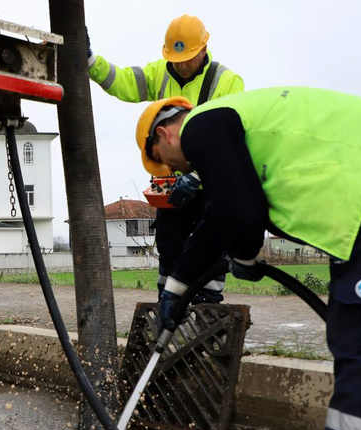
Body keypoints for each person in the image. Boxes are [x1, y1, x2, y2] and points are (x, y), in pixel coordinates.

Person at [137, 88, 361, 430]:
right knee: (354, 335)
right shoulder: (235, 129)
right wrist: (175, 290)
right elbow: (218, 218)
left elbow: (242, 214)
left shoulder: (201, 125)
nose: (172, 170)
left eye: (163, 161)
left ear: (164, 135)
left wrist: (245, 254)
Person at [87, 14, 244, 302]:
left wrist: (195, 176)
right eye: (175, 59)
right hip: (170, 185)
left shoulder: (227, 82)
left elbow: (228, 141)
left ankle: (206, 304)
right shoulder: (160, 73)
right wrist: (90, 60)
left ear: (203, 49)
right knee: (170, 246)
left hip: (209, 184)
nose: (180, 65)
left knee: (209, 246)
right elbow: (123, 81)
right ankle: (168, 300)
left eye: (187, 59)